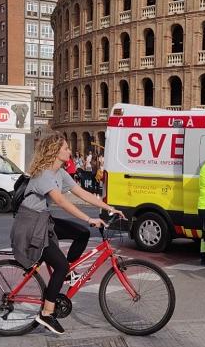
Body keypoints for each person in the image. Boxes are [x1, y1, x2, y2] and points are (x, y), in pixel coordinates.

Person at [10, 133, 124, 335]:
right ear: (54, 151)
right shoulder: (44, 174)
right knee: (60, 265)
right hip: (30, 226)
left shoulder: (59, 173)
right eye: (65, 148)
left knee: (81, 233)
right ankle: (46, 313)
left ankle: (67, 273)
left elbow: (83, 194)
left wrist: (110, 208)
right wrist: (89, 219)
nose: (70, 151)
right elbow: (62, 202)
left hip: (43, 221)